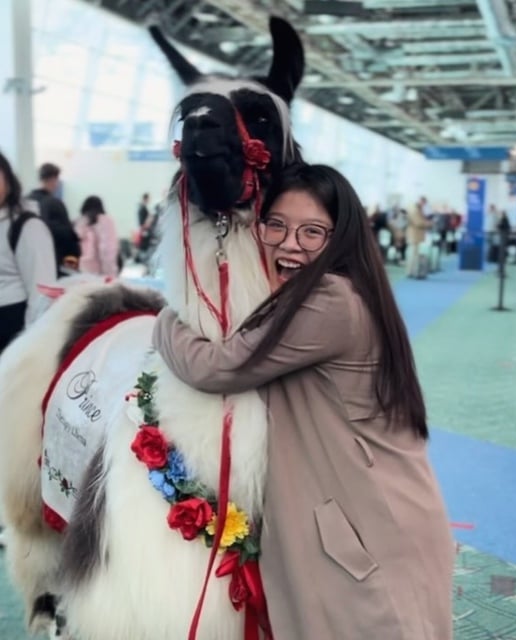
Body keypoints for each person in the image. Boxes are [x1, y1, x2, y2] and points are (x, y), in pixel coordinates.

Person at [152, 163, 453, 639]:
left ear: (340, 239)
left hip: (367, 534)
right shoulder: (332, 296)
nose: (290, 244)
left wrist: (167, 315)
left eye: (313, 232)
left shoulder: (331, 301)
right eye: (277, 226)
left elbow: (215, 368)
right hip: (361, 521)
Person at [0, 151, 57, 354]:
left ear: (8, 180)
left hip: (11, 326)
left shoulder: (27, 226)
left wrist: (31, 347)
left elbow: (42, 293)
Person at [28, 162, 80, 275]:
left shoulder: (25, 202)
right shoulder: (55, 204)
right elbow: (69, 239)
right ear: (53, 179)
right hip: (54, 265)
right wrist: (72, 269)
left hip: (29, 265)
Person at [74, 196, 120, 278]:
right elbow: (107, 248)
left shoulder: (80, 223)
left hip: (82, 269)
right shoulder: (105, 221)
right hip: (101, 270)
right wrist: (110, 273)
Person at [406, 196, 432, 278]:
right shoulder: (415, 210)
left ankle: (413, 271)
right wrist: (430, 223)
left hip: (416, 235)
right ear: (421, 201)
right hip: (414, 234)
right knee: (413, 254)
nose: (424, 205)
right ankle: (410, 272)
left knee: (414, 254)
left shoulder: (418, 209)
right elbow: (418, 223)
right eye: (424, 203)